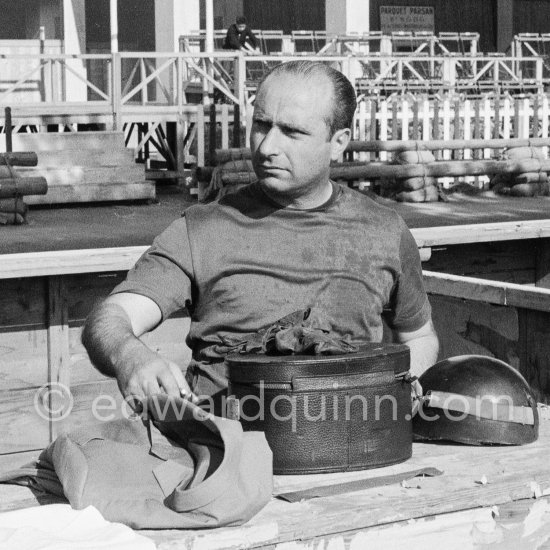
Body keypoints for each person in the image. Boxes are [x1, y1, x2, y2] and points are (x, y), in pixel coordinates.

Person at [82, 60, 439, 412]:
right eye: (262, 125)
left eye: (293, 132)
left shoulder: (384, 230)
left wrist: (406, 386)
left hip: (350, 441)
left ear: (338, 142)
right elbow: (112, 315)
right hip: (227, 447)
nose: (267, 147)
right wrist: (129, 356)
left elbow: (419, 336)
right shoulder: (203, 229)